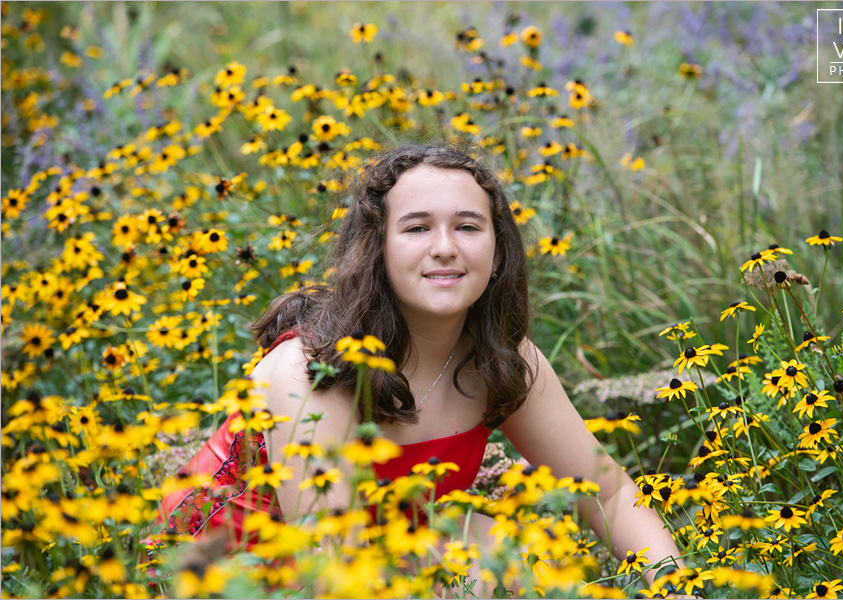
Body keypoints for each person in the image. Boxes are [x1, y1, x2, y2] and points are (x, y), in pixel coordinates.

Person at [156, 144, 683, 590]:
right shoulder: (312, 369)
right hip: (233, 575)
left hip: (383, 550)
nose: (446, 248)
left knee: (510, 556)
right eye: (416, 228)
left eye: (469, 226)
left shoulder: (503, 358)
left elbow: (607, 493)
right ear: (377, 248)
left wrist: (679, 590)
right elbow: (330, 567)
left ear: (497, 252)